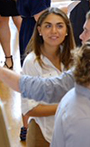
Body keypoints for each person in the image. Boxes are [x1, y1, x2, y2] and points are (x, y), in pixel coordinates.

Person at [20, 8, 75, 145]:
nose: (54, 31)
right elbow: (29, 108)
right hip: (43, 135)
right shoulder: (32, 63)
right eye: (48, 26)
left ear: (67, 31)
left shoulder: (75, 59)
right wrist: (66, 105)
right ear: (39, 30)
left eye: (60, 26)